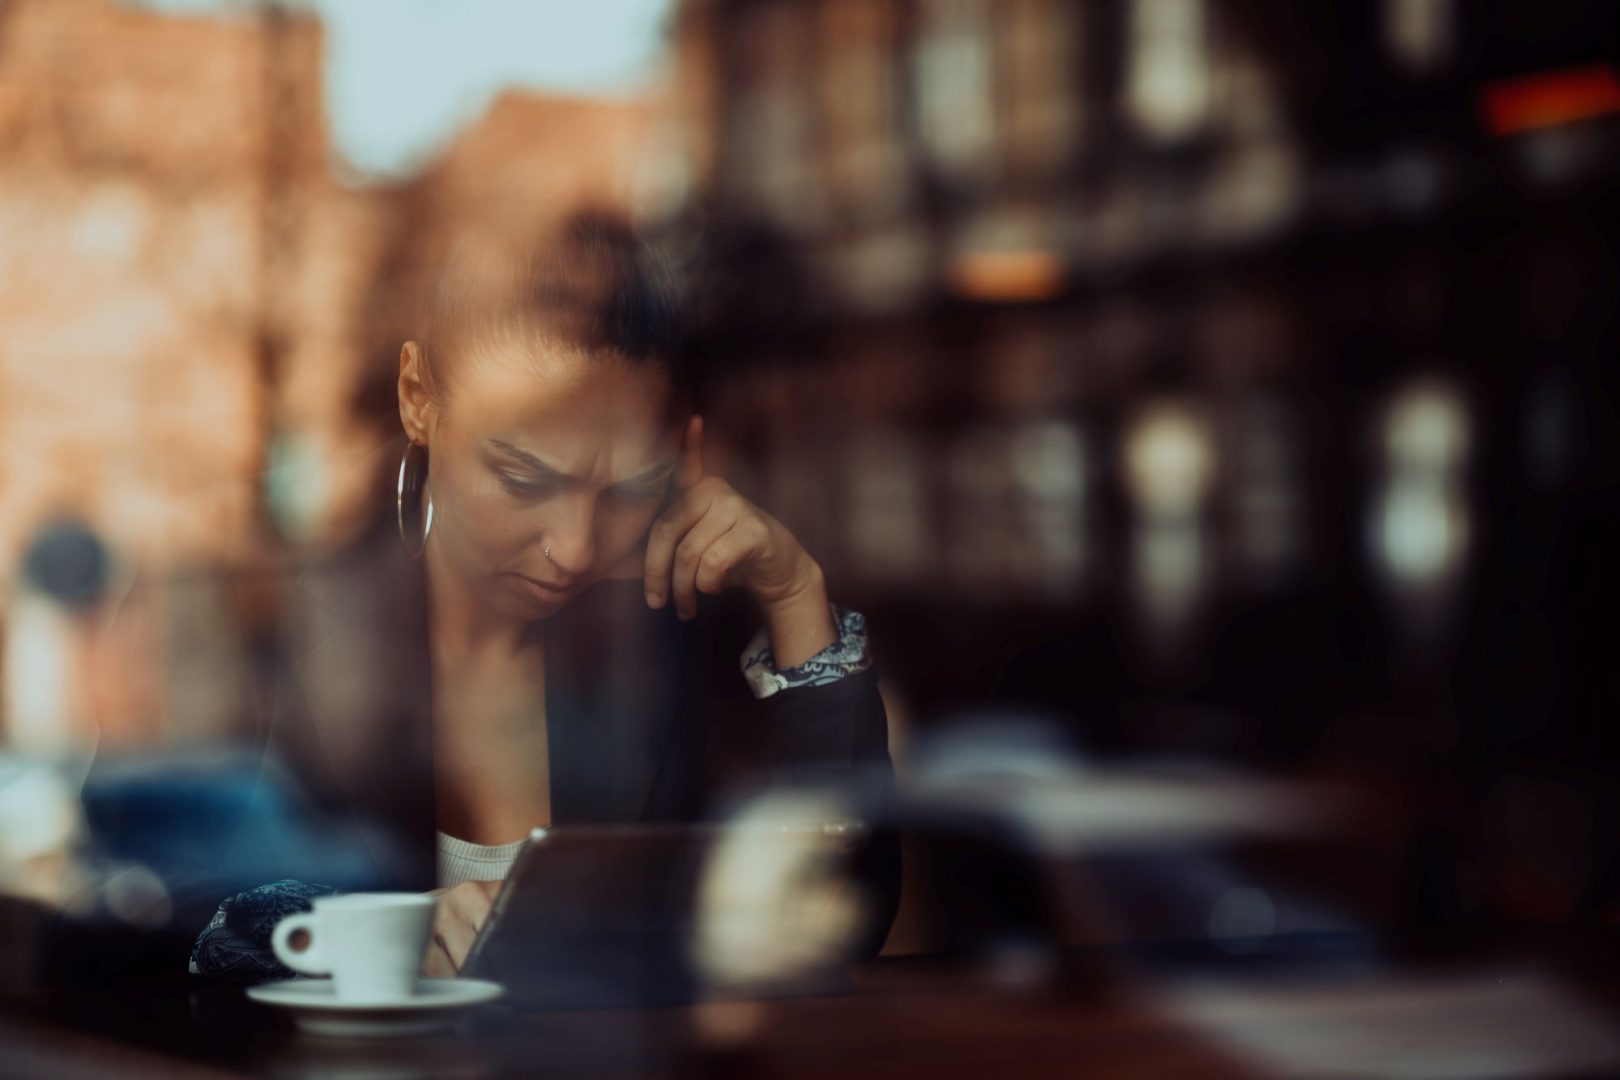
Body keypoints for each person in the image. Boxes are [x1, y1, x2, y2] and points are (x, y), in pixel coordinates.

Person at [187, 214, 896, 982]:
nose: (577, 547)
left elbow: (837, 914)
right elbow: (158, 920)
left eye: (629, 490)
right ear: (419, 399)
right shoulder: (275, 633)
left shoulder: (676, 643)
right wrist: (380, 934)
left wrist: (795, 599)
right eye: (525, 479)